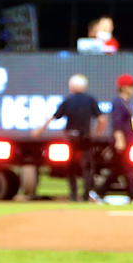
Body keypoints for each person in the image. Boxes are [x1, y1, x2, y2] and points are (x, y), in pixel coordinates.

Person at [31, 74, 102, 202]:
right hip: (85, 138)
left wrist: (39, 130)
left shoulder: (68, 100)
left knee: (71, 167)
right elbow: (102, 120)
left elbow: (53, 117)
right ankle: (86, 195)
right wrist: (97, 133)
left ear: (73, 86)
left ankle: (73, 195)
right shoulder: (90, 99)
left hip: (71, 138)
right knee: (87, 167)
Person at [106, 73, 133, 201]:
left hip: (128, 141)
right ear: (124, 87)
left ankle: (97, 193)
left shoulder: (127, 103)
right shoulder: (118, 102)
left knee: (119, 169)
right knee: (126, 168)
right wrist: (120, 140)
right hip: (122, 142)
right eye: (131, 86)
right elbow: (116, 124)